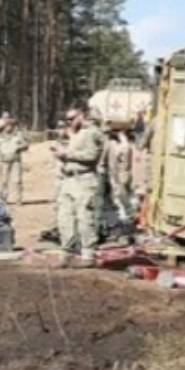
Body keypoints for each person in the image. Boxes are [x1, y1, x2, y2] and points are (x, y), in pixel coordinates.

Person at [50, 106, 105, 261]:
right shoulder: (72, 134)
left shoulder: (92, 132)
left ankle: (88, 253)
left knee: (84, 217)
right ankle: (67, 251)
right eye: (67, 119)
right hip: (68, 179)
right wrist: (60, 154)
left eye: (72, 118)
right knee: (64, 217)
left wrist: (67, 154)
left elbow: (92, 155)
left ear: (81, 116)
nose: (69, 122)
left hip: (84, 179)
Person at [104, 127, 137, 227]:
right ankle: (126, 216)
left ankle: (126, 216)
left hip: (119, 173)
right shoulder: (126, 145)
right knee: (121, 195)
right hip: (121, 172)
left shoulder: (117, 145)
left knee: (119, 196)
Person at [0, 116, 26, 204]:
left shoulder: (18, 135)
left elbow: (25, 145)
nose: (9, 127)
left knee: (17, 180)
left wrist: (19, 147)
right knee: (4, 181)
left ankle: (18, 199)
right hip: (4, 161)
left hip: (15, 161)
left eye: (11, 125)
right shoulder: (0, 136)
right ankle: (3, 198)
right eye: (7, 125)